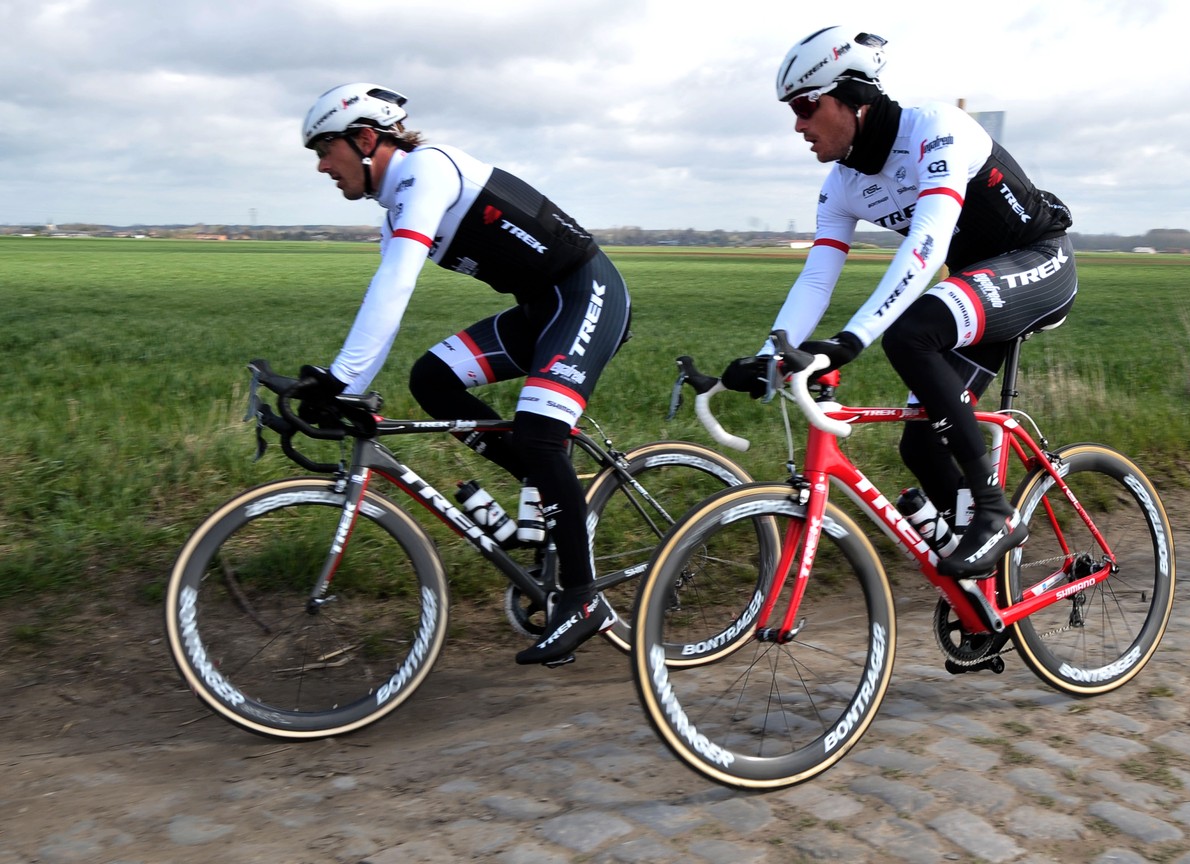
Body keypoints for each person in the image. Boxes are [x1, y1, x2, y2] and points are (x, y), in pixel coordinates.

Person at [720, 27, 1077, 579]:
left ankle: (994, 512)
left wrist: (850, 340)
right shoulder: (841, 184)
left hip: (1037, 260)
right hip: (978, 288)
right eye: (793, 110)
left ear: (854, 95)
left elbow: (926, 244)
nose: (798, 124)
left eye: (807, 106)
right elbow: (817, 278)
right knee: (922, 443)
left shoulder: (936, 130)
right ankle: (983, 590)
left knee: (911, 335)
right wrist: (773, 351)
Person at [297, 83, 631, 665]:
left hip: (586, 294)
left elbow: (398, 282)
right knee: (432, 379)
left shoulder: (424, 171)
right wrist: (342, 386)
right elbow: (385, 298)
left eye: (326, 149)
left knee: (538, 431)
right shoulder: (398, 204)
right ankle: (546, 485)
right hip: (539, 311)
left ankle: (582, 600)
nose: (323, 165)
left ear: (366, 138)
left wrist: (340, 379)